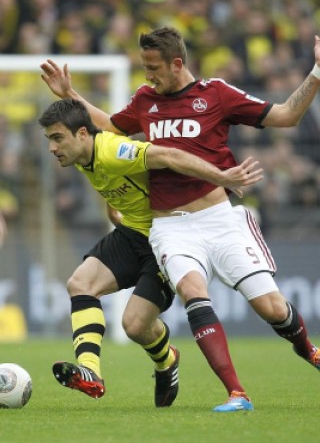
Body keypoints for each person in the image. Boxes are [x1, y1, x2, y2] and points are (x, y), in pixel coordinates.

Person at [40, 26, 320, 413]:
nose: (147, 75)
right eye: (143, 67)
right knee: (183, 293)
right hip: (168, 226)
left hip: (219, 218)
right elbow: (105, 128)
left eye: (153, 67)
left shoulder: (216, 94)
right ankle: (235, 393)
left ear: (177, 63)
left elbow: (287, 115)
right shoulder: (145, 100)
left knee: (271, 309)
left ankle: (308, 350)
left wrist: (317, 72)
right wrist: (71, 97)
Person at [38, 98, 263, 408]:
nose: (52, 147)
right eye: (49, 139)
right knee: (80, 284)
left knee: (134, 325)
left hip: (165, 239)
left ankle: (166, 360)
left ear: (81, 134)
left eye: (57, 137)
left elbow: (168, 155)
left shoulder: (113, 151)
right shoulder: (80, 155)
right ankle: (91, 370)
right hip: (131, 233)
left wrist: (221, 177)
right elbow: (113, 172)